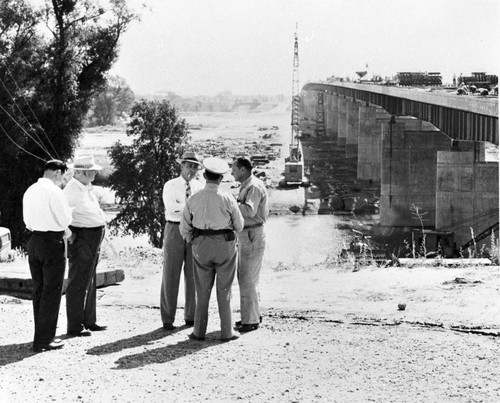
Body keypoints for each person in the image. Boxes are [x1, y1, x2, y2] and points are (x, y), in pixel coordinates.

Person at [180, 157, 244, 342]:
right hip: (224, 245)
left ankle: (198, 331)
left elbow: (184, 226)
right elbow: (239, 225)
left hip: (201, 244)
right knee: (224, 290)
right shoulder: (227, 198)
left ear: (205, 175)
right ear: (220, 179)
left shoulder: (194, 198)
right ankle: (227, 331)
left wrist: (192, 239)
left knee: (202, 289)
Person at [23, 159, 73, 352]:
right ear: (58, 173)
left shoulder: (30, 190)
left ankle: (40, 335)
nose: (62, 181)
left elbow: (27, 221)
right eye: (63, 177)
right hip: (52, 242)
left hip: (34, 241)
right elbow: (65, 220)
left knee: (39, 289)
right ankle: (44, 339)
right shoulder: (55, 191)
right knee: (52, 291)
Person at [63, 155, 107, 337]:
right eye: (91, 171)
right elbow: (61, 215)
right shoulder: (71, 190)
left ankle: (89, 320)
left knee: (89, 280)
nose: (95, 173)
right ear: (79, 172)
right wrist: (70, 235)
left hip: (92, 238)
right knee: (78, 281)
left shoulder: (85, 188)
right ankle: (74, 325)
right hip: (82, 238)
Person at [161, 151, 204, 330]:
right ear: (181, 166)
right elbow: (171, 209)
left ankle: (191, 316)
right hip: (174, 229)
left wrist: (186, 208)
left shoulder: (200, 187)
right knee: (171, 273)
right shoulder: (170, 185)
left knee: (193, 274)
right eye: (189, 166)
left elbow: (202, 210)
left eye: (195, 167)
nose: (192, 170)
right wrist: (191, 207)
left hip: (194, 231)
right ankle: (168, 318)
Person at [231, 156, 269, 332]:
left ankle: (250, 320)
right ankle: (252, 315)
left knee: (247, 278)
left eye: (234, 169)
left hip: (252, 233)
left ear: (243, 170)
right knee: (248, 278)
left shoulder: (252, 186)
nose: (232, 172)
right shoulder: (249, 184)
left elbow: (249, 210)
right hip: (248, 234)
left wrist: (230, 204)